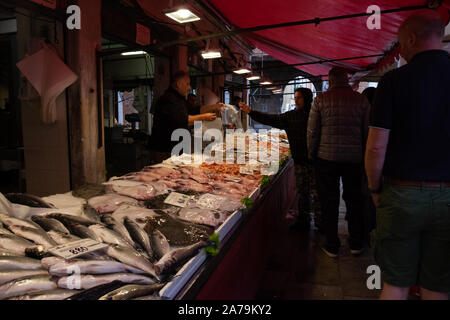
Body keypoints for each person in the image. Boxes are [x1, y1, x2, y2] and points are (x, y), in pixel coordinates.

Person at [365, 10, 450, 300]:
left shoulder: (393, 82)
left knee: (396, 282)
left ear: (412, 39)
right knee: (438, 285)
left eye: (401, 43)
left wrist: (374, 188)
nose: (400, 51)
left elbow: (376, 146)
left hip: (402, 193)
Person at [308, 67, 371, 258]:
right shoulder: (361, 99)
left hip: (326, 158)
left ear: (330, 79)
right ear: (347, 79)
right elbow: (367, 131)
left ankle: (332, 245)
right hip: (354, 159)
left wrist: (311, 155)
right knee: (354, 200)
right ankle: (356, 243)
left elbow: (312, 132)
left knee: (329, 200)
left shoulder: (321, 99)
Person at [240, 88, 322, 231]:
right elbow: (271, 119)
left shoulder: (317, 116)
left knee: (318, 193)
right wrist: (251, 112)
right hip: (299, 161)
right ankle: (304, 222)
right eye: (295, 97)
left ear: (308, 98)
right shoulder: (291, 116)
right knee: (302, 192)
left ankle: (321, 223)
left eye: (299, 98)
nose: (296, 100)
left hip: (317, 162)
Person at [148, 71, 218, 163]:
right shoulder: (168, 99)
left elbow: (195, 110)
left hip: (177, 146)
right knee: (163, 175)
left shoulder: (180, 99)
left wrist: (214, 107)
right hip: (165, 149)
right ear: (178, 84)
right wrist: (204, 117)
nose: (189, 87)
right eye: (187, 84)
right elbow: (181, 120)